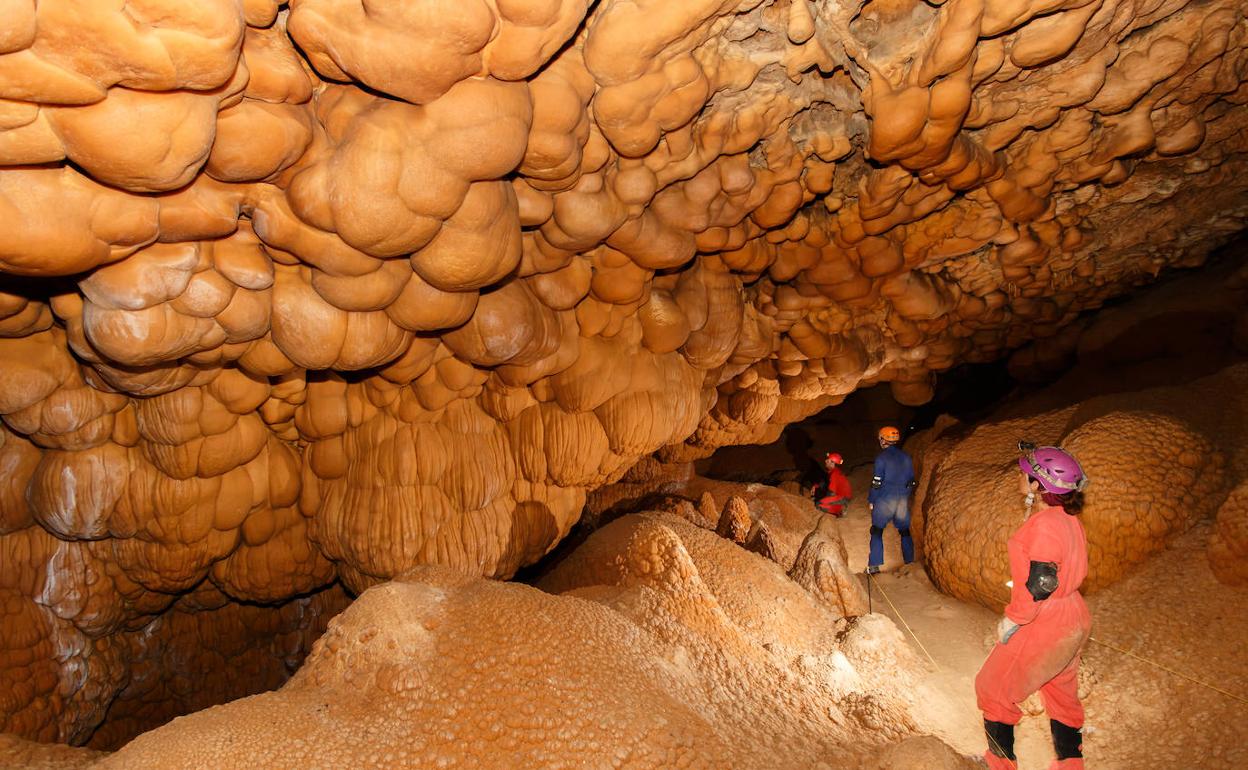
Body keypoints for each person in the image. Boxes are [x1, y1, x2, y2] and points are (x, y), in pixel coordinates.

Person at [975, 442, 1091, 770]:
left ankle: (999, 764)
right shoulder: (1067, 518)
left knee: (994, 688)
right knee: (1061, 693)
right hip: (1073, 614)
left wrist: (1015, 618)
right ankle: (1070, 767)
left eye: (1024, 474)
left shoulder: (1045, 525)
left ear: (1038, 486)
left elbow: (1042, 582)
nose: (1020, 477)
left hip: (1044, 620)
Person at [866, 425, 915, 575]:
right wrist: (904, 496)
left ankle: (874, 566)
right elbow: (911, 482)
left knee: (877, 531)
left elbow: (876, 482)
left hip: (885, 500)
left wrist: (872, 500)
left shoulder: (882, 458)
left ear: (883, 440)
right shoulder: (906, 457)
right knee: (905, 532)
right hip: (901, 501)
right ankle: (910, 563)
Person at [814, 452, 852, 517]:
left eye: (828, 460)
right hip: (841, 495)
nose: (825, 461)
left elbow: (831, 493)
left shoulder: (835, 474)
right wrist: (816, 486)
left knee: (818, 504)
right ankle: (839, 506)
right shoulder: (833, 471)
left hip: (842, 497)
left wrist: (823, 499)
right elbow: (824, 482)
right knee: (822, 499)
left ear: (832, 463)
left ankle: (840, 510)